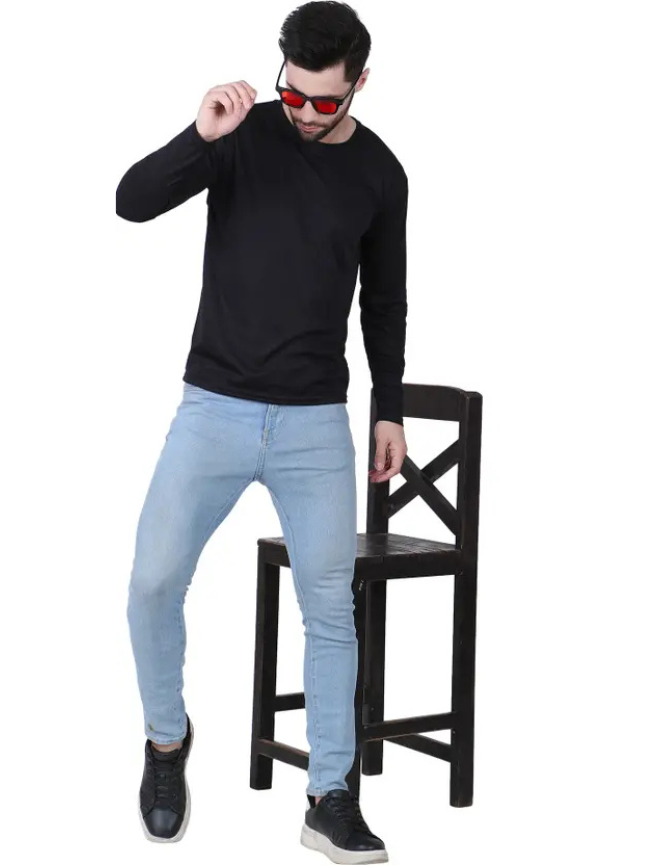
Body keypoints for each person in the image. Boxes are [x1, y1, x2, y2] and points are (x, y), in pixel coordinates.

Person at [116, 2, 408, 861]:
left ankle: (329, 795)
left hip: (316, 422)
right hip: (214, 407)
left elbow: (385, 302)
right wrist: (199, 135)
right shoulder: (242, 131)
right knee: (152, 582)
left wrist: (387, 405)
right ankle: (167, 742)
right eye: (295, 93)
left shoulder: (381, 174)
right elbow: (130, 203)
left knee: (329, 607)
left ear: (360, 82)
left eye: (326, 100)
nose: (306, 113)